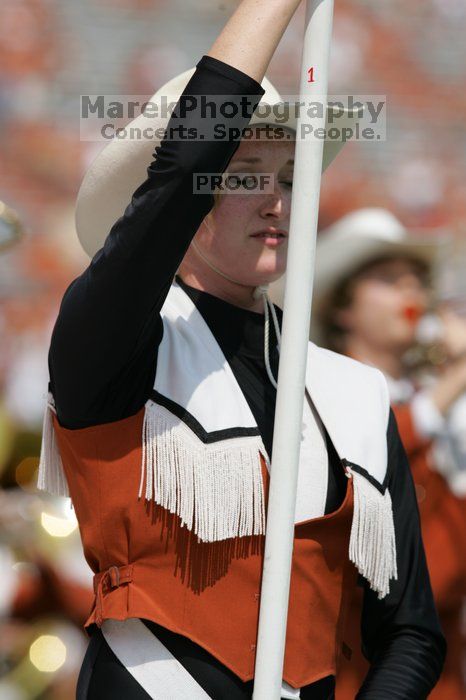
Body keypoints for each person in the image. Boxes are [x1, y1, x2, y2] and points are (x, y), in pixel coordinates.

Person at [37, 3, 446, 699]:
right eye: (243, 175)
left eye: (290, 179)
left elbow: (409, 632)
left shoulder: (352, 392)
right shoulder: (113, 340)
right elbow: (182, 165)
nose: (277, 203)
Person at [296, 207, 465, 700]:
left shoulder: (433, 401)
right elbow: (379, 440)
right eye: (390, 280)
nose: (412, 294)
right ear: (344, 308)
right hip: (362, 672)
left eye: (417, 281)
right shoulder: (320, 393)